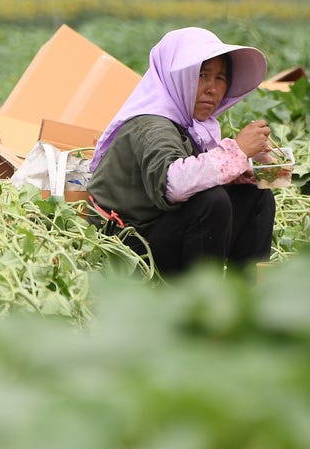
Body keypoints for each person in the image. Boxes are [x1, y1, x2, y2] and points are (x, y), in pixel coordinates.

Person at [85, 26, 276, 276]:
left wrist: (244, 170)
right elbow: (173, 184)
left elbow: (198, 174)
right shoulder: (151, 124)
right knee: (212, 202)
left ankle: (246, 294)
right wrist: (236, 151)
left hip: (166, 228)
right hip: (130, 245)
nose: (213, 88)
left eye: (220, 77)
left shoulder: (191, 124)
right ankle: (203, 302)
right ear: (177, 78)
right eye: (202, 75)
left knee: (256, 196)